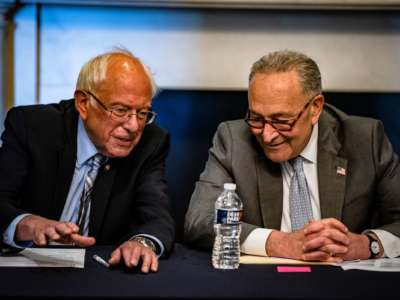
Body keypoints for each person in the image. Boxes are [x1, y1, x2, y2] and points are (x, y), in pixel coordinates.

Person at [184, 50, 400, 262]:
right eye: (257, 118)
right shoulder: (234, 140)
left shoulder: (364, 139)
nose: (267, 135)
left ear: (315, 109)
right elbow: (199, 221)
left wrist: (368, 245)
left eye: (281, 120)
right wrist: (278, 243)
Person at [0, 49, 175, 272]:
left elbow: (157, 216)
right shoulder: (33, 127)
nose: (133, 126)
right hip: (27, 270)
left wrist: (142, 243)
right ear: (83, 103)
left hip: (100, 274)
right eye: (121, 110)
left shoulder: (151, 142)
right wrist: (27, 224)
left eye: (142, 113)